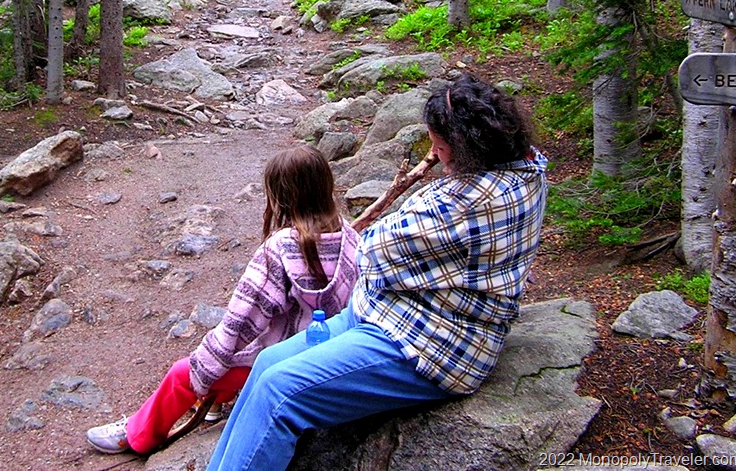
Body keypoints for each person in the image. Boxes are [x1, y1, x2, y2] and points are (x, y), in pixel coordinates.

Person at [205, 73, 549, 471]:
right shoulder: (528, 169)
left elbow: (371, 252)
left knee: (279, 392)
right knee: (266, 365)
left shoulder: (465, 204)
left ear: (466, 148)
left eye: (439, 146)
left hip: (430, 345)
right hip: (389, 312)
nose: (434, 155)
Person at [86, 145, 360, 455]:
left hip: (285, 360)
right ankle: (218, 401)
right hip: (331, 353)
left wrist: (205, 366)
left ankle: (138, 436)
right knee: (227, 359)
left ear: (281, 197)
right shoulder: (350, 235)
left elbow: (241, 322)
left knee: (185, 372)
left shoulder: (279, 248)